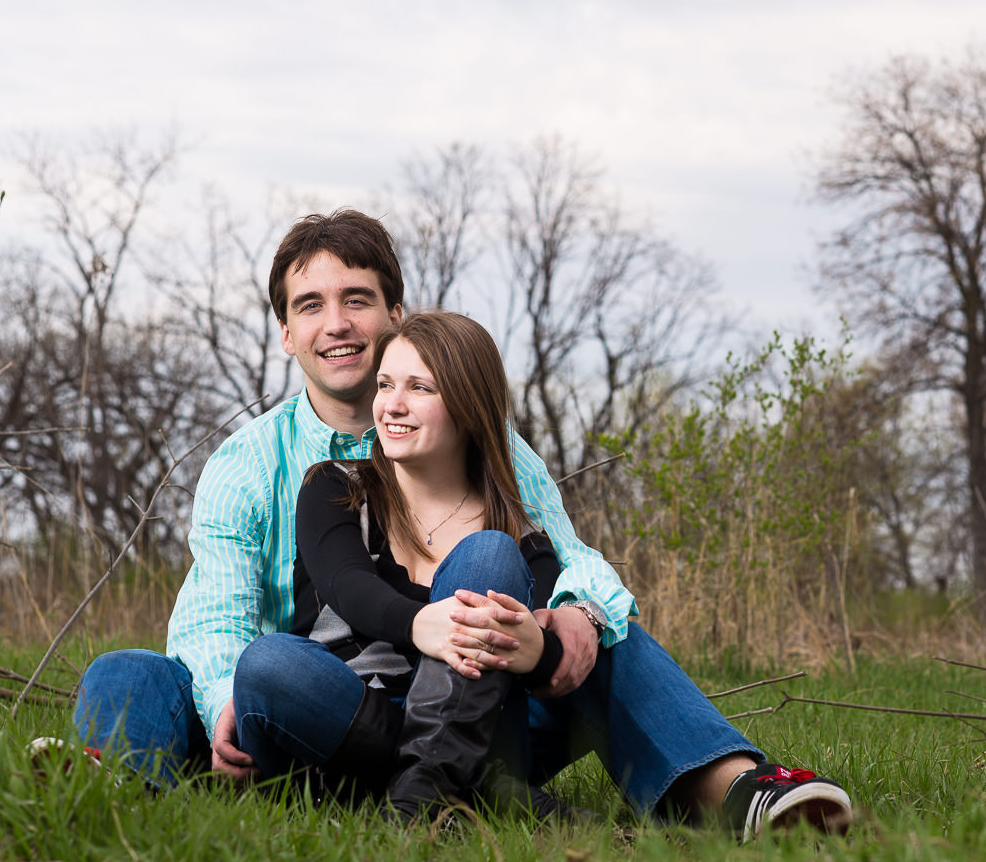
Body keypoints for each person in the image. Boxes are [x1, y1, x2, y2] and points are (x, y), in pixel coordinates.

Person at [72, 208, 852, 837]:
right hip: (317, 709)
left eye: (357, 300)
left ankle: (735, 789)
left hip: (478, 702)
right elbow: (214, 621)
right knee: (134, 672)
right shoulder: (255, 467)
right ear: (285, 333)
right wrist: (224, 703)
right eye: (311, 306)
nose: (336, 324)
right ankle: (109, 790)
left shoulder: (487, 446)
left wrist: (577, 617)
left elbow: (563, 557)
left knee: (610, 636)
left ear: (394, 314)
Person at [234, 312, 570, 817]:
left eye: (419, 388)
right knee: (268, 662)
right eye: (386, 384)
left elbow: (535, 662)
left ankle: (420, 794)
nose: (391, 405)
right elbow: (347, 585)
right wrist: (419, 624)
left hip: (479, 723)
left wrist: (539, 652)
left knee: (489, 554)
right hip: (350, 713)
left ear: (468, 405)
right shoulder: (336, 488)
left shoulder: (524, 543)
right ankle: (471, 785)